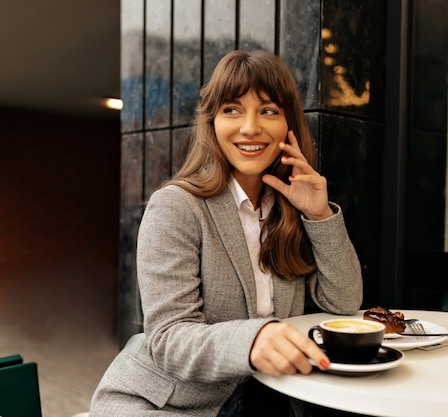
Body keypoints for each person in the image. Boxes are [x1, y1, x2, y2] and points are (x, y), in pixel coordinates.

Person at [90, 50, 363, 417]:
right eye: (232, 109)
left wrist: (318, 214)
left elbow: (344, 303)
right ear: (212, 123)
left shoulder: (288, 208)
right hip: (171, 405)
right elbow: (169, 339)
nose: (250, 127)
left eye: (268, 110)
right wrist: (253, 339)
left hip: (268, 395)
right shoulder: (176, 206)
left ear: (289, 125)